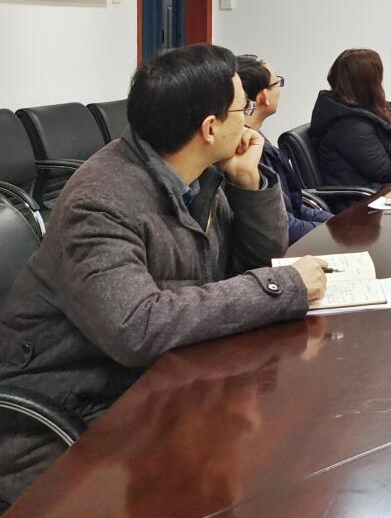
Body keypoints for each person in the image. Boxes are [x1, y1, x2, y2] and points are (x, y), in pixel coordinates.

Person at [0, 44, 328, 510]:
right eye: (243, 110)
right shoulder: (101, 201)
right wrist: (282, 287)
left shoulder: (198, 174)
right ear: (210, 128)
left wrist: (248, 185)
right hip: (67, 420)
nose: (249, 121)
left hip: (155, 386)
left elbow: (255, 264)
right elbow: (137, 327)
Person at [237, 54, 333, 244]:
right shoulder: (245, 153)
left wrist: (339, 224)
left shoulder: (256, 138)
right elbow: (284, 224)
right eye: (277, 83)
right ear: (263, 96)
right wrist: (336, 232)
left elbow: (292, 206)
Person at [310, 49, 391, 188]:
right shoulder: (350, 125)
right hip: (364, 198)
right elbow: (383, 169)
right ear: (367, 84)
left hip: (379, 189)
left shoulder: (356, 113)